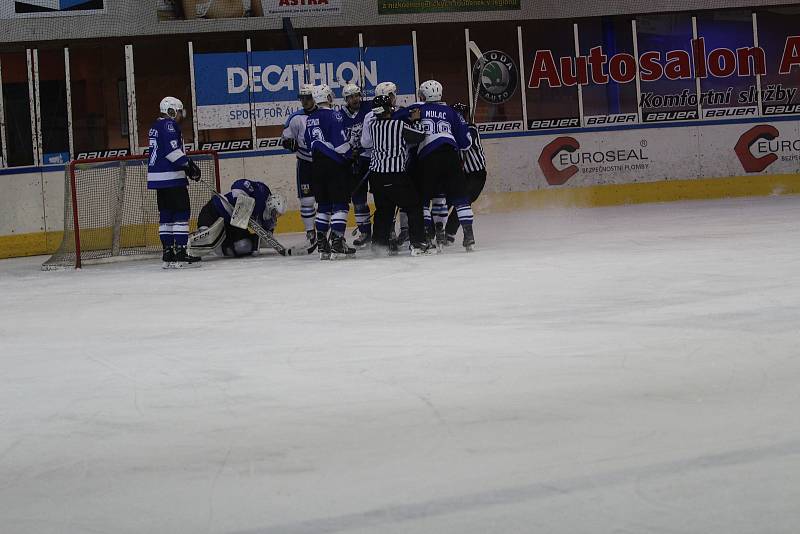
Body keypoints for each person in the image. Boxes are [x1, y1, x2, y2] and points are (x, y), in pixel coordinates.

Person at [395, 80, 476, 251]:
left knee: (423, 200)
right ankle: (469, 235)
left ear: (423, 95)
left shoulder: (418, 108)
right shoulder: (452, 112)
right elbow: (466, 143)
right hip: (450, 155)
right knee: (460, 198)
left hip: (428, 157)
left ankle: (427, 235)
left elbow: (394, 118)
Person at [361, 95, 431, 256]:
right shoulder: (399, 125)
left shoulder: (372, 125)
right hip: (396, 175)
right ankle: (419, 244)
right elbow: (419, 135)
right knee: (414, 207)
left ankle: (380, 245)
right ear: (388, 109)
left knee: (383, 210)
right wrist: (415, 119)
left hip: (377, 177)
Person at [147, 96, 202, 269]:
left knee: (166, 217)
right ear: (170, 110)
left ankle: (168, 254)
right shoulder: (169, 125)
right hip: (171, 177)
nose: (179, 115)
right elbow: (173, 152)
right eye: (178, 111)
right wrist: (189, 166)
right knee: (180, 215)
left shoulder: (155, 126)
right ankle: (180, 253)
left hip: (158, 180)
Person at [304, 84, 356, 260]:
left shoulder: (310, 118)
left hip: (316, 166)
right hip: (334, 165)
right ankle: (337, 241)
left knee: (324, 206)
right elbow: (340, 144)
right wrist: (351, 155)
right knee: (340, 204)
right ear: (327, 98)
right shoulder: (334, 115)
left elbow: (306, 140)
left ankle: (322, 244)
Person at [189, 179, 286, 258]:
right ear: (270, 204)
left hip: (232, 225)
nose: (275, 216)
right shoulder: (262, 191)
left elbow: (268, 238)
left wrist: (262, 240)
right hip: (214, 211)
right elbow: (239, 184)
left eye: (278, 214)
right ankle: (183, 245)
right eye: (275, 212)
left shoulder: (268, 220)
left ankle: (218, 249)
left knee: (243, 246)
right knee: (205, 239)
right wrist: (239, 200)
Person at [281, 83, 318, 250]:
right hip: (305, 164)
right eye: (302, 98)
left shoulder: (326, 114)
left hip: (324, 163)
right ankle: (311, 233)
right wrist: (289, 143)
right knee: (307, 200)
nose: (305, 101)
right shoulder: (295, 118)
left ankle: (327, 233)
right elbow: (285, 139)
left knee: (328, 200)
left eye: (308, 97)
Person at [448, 103, 487, 245]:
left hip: (476, 175)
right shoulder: (455, 130)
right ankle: (438, 232)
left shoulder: (471, 129)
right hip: (462, 176)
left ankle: (449, 234)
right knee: (447, 201)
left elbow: (465, 143)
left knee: (463, 202)